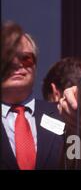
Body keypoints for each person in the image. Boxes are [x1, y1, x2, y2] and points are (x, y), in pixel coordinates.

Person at [1, 21, 65, 169]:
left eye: (25, 58)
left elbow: (76, 158)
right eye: (7, 58)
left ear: (35, 65)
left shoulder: (62, 115)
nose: (17, 64)